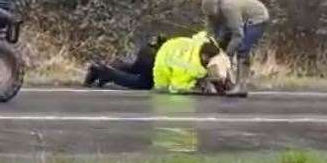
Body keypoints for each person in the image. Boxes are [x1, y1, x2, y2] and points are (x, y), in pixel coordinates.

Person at [84, 33, 230, 94]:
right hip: (155, 58)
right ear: (204, 56)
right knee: (142, 83)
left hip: (151, 49)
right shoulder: (190, 66)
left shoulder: (203, 42)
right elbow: (177, 87)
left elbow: (207, 37)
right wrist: (196, 87)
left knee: (135, 69)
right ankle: (103, 72)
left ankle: (111, 68)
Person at [201, 0, 269, 97]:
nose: (212, 17)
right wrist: (212, 46)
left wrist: (227, 54)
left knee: (242, 48)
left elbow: (238, 35)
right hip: (240, 18)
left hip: (257, 18)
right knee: (220, 44)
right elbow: (212, 32)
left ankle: (241, 86)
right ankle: (223, 81)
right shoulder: (213, 11)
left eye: (213, 14)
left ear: (217, 7)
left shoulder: (229, 7)